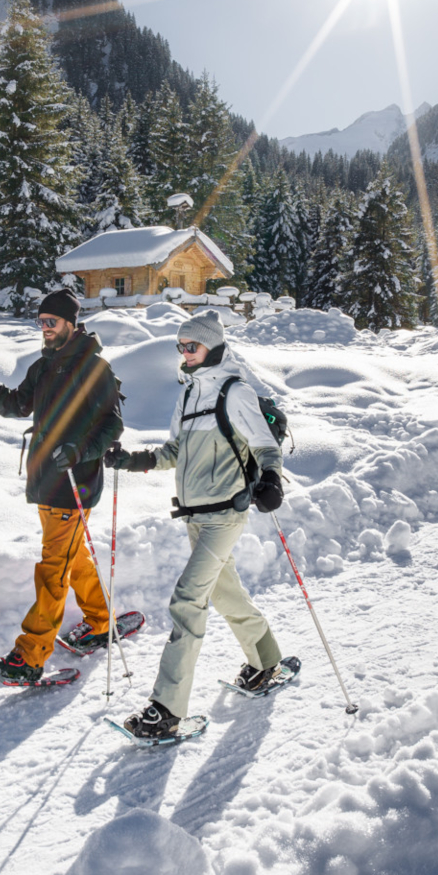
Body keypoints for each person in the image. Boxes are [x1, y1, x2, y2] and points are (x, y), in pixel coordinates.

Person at [104, 310, 287, 738]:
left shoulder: (234, 392)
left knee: (188, 601)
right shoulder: (187, 396)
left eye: (193, 346)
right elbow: (173, 451)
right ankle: (267, 660)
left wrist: (272, 480)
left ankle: (166, 710)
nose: (185, 354)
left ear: (213, 347)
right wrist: (133, 459)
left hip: (226, 514)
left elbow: (264, 447)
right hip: (195, 517)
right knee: (224, 593)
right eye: (180, 347)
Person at [0, 288, 124, 685]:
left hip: (74, 484)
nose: (45, 329)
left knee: (54, 571)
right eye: (41, 322)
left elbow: (112, 424)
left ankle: (30, 656)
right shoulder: (43, 367)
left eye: (51, 322)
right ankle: (101, 623)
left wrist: (78, 450)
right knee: (72, 557)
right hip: (46, 484)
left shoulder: (94, 368)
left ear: (71, 323)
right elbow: (15, 405)